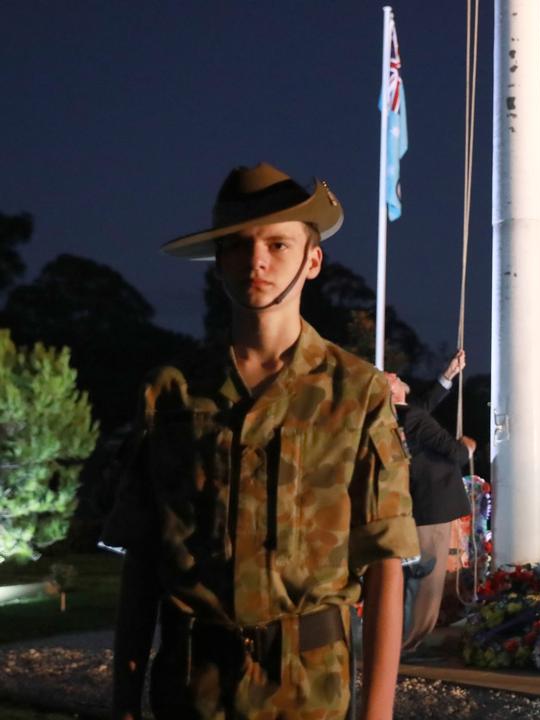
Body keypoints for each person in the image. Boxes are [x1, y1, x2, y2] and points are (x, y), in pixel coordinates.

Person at [103, 163, 419, 720]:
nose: (257, 260)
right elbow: (142, 560)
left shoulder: (356, 392)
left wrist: (378, 714)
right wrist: (125, 704)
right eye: (239, 245)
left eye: (278, 243)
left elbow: (386, 559)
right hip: (191, 690)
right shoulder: (171, 393)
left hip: (311, 693)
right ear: (217, 264)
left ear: (312, 260)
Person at [386, 349, 476, 655]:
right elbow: (457, 454)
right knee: (427, 583)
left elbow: (422, 406)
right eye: (391, 378)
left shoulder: (400, 416)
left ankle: (404, 639)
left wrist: (448, 376)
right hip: (434, 508)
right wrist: (467, 448)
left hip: (419, 507)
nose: (396, 375)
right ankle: (408, 643)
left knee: (417, 577)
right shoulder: (414, 419)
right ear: (390, 392)